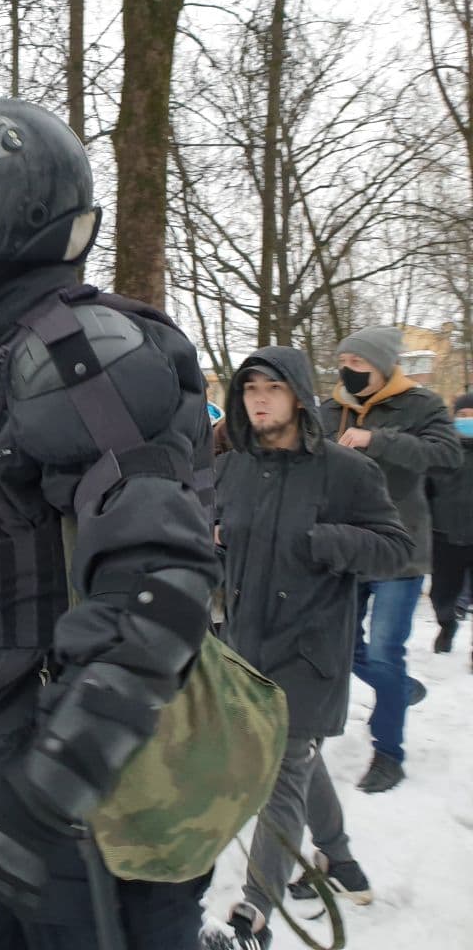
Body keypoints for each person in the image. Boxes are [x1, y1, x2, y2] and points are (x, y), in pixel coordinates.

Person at [0, 98, 220, 949]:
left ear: (11, 211)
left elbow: (163, 582)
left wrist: (54, 784)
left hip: (87, 799)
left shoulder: (75, 354)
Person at [210, 350, 412, 949]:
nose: (259, 398)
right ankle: (339, 858)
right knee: (298, 757)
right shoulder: (230, 469)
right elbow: (216, 542)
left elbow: (396, 548)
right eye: (250, 388)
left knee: (281, 770)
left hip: (310, 649)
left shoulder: (346, 471)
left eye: (272, 387)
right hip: (244, 649)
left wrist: (323, 541)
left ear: (298, 395)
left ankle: (254, 916)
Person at [320, 325, 461, 791]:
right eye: (344, 362)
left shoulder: (420, 404)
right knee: (343, 647)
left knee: (384, 650)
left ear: (382, 366)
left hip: (401, 549)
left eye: (359, 363)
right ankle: (398, 688)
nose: (349, 370)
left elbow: (447, 455)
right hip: (347, 546)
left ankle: (388, 753)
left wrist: (375, 440)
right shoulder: (329, 409)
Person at [429, 392, 473, 660]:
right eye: (463, 415)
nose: (468, 420)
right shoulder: (440, 451)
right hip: (445, 536)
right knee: (441, 596)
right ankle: (447, 624)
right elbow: (424, 490)